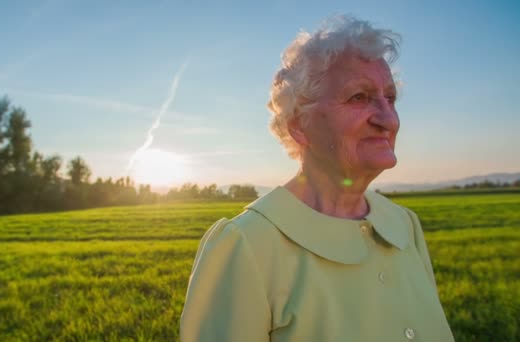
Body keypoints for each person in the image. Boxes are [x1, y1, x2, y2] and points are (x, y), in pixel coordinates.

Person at [180, 15, 455, 342]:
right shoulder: (246, 245)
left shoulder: (404, 225)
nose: (389, 119)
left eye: (390, 98)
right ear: (300, 125)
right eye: (359, 97)